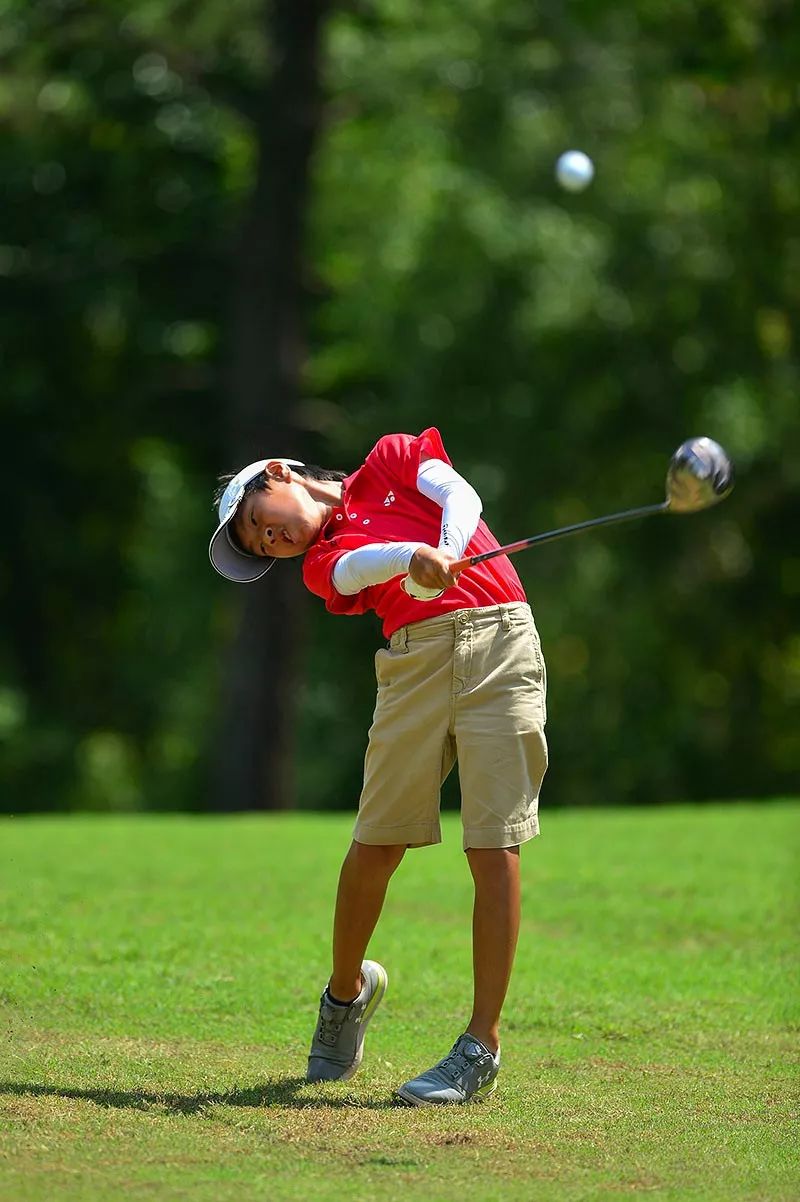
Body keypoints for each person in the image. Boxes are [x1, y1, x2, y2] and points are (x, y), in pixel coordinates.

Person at [209, 428, 548, 1105]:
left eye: (257, 521)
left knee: (493, 843)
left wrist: (447, 550)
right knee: (375, 844)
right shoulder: (320, 561)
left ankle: (481, 1046)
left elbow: (458, 493)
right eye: (258, 546)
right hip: (414, 660)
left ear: (279, 474)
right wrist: (413, 557)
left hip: (501, 640)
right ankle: (345, 994)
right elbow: (355, 570)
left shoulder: (391, 457)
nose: (269, 541)